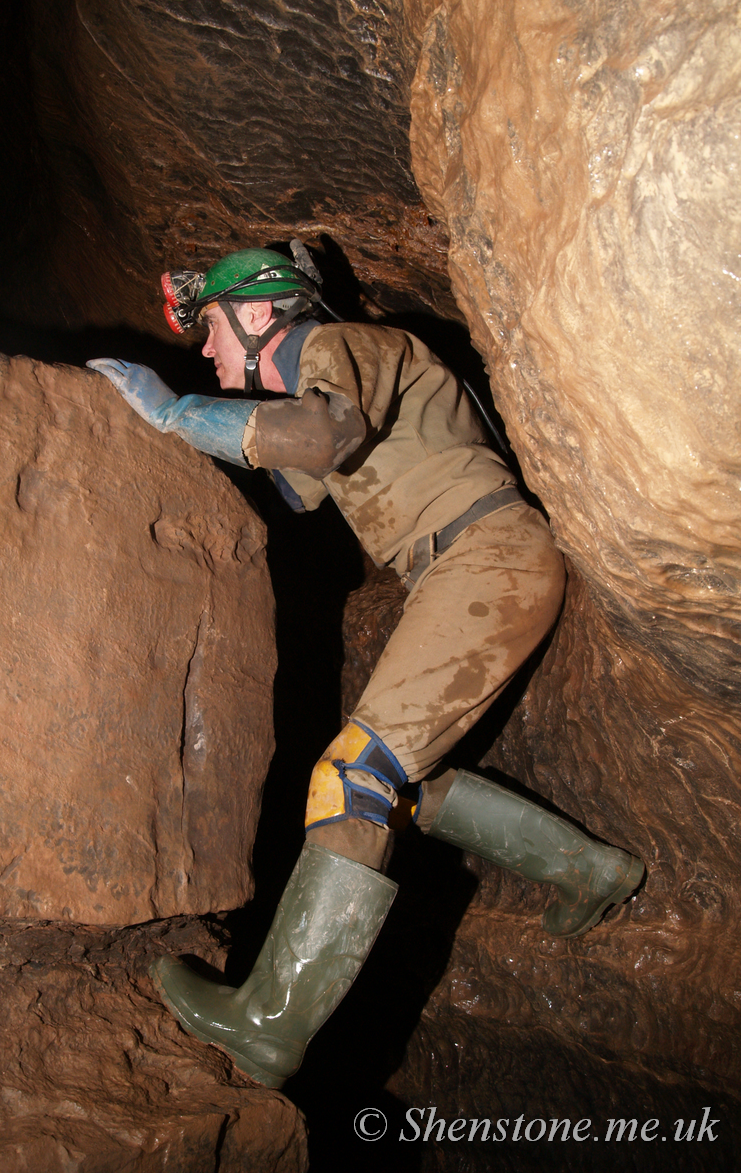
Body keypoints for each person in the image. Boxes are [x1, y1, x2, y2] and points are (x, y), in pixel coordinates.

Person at [87, 245, 645, 1090]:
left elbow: (319, 436)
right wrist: (186, 435)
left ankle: (269, 1025)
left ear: (260, 311)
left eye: (211, 330)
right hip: (469, 568)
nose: (205, 352)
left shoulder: (333, 346)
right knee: (404, 787)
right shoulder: (316, 387)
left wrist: (175, 413)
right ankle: (590, 872)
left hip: (484, 557)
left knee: (351, 777)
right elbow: (298, 476)